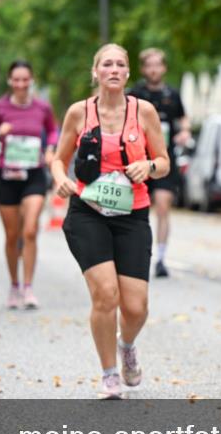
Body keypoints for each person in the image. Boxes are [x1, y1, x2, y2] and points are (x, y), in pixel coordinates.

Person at [51, 43, 170, 399]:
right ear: (96, 72)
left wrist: (148, 166)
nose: (114, 69)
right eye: (107, 64)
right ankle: (109, 374)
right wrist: (59, 177)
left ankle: (127, 345)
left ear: (128, 73)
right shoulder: (78, 113)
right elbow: (59, 159)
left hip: (132, 214)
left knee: (136, 307)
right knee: (106, 295)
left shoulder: (144, 111)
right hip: (88, 211)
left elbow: (163, 161)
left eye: (120, 64)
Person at [0, 61, 59, 309]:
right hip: (8, 178)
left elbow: (53, 130)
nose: (21, 84)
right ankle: (14, 285)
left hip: (34, 175)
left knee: (31, 230)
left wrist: (50, 148)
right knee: (12, 236)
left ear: (32, 80)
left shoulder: (42, 107)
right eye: (16, 80)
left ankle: (28, 288)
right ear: (9, 81)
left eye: (25, 79)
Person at [127, 48, 190, 278]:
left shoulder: (172, 94)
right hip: (138, 159)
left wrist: (184, 131)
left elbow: (183, 119)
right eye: (149, 65)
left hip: (164, 159)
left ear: (163, 68)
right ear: (143, 69)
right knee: (138, 208)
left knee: (163, 206)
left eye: (158, 65)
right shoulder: (135, 93)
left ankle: (161, 258)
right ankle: (137, 252)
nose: (154, 69)